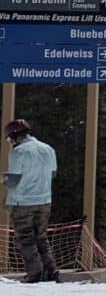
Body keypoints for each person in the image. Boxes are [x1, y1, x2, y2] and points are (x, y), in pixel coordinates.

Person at [3, 119, 59, 283]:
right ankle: (51, 271)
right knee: (41, 237)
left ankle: (34, 273)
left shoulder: (18, 152)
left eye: (9, 139)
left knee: (25, 238)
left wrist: (3, 181)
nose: (10, 142)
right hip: (44, 201)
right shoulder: (48, 149)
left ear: (14, 136)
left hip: (22, 203)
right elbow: (53, 173)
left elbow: (13, 180)